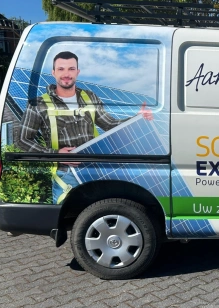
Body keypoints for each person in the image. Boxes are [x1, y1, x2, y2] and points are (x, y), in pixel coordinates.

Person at [18, 51, 153, 204]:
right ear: (53, 72)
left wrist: (137, 118)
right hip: (66, 176)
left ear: (77, 72)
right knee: (67, 216)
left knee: (98, 214)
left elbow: (110, 124)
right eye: (61, 69)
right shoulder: (38, 104)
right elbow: (22, 140)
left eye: (71, 69)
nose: (66, 74)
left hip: (95, 172)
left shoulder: (90, 97)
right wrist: (56, 154)